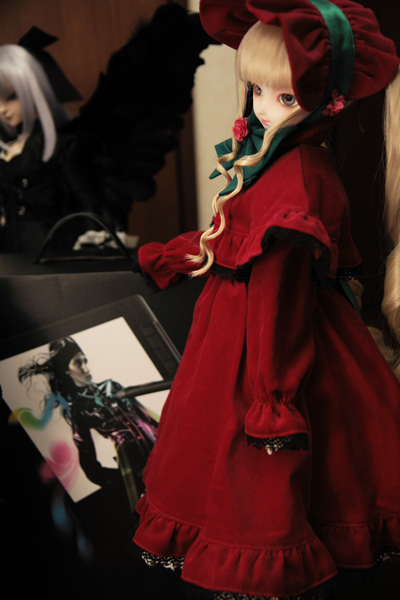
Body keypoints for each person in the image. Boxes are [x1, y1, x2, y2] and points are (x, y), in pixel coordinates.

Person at [131, 1, 400, 598]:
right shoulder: (278, 157)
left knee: (260, 482)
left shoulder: (298, 177)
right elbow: (234, 232)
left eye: (283, 96)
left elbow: (280, 297)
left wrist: (271, 398)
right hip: (239, 328)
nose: (262, 107)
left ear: (328, 102)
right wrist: (179, 256)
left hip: (264, 344)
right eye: (256, 90)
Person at [18, 336, 158, 504]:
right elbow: (89, 464)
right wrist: (125, 479)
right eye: (77, 363)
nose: (86, 368)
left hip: (163, 453)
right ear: (66, 370)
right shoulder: (80, 410)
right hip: (139, 470)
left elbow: (149, 419)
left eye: (85, 361)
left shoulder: (112, 386)